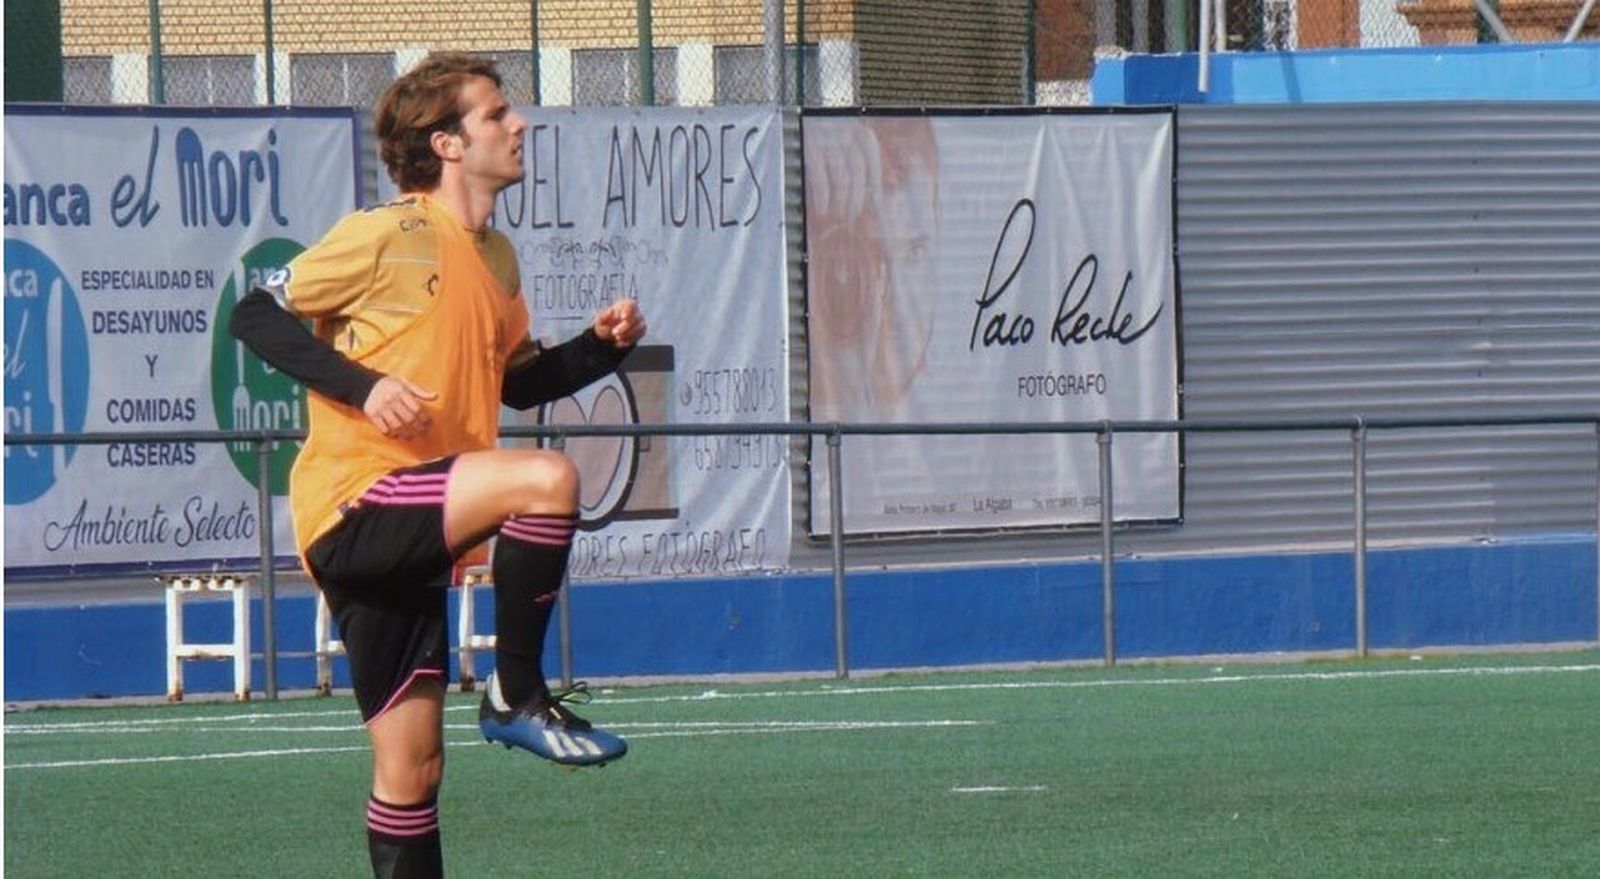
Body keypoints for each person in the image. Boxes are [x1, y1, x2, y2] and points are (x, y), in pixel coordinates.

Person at [230, 52, 646, 879]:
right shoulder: (386, 233)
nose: (518, 124)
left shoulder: (497, 257)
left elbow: (517, 383)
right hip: (356, 505)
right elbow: (254, 312)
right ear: (447, 143)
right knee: (547, 480)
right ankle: (515, 691)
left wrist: (599, 349)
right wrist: (365, 384)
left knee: (413, 770)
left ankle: (508, 700)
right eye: (496, 113)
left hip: (412, 529)